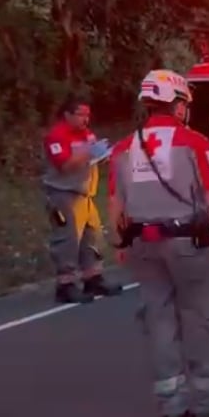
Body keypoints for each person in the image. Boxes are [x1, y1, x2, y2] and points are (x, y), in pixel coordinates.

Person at [107, 69, 209, 417]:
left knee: (159, 319)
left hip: (142, 245)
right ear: (177, 104)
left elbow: (116, 205)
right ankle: (208, 403)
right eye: (184, 103)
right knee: (202, 315)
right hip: (189, 244)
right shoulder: (193, 142)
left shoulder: (123, 148)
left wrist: (120, 242)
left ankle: (172, 407)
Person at [42, 94, 123, 304]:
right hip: (64, 195)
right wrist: (89, 153)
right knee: (67, 239)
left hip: (86, 194)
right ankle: (65, 285)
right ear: (67, 114)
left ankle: (93, 278)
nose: (85, 119)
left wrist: (103, 154)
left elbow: (92, 157)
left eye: (88, 115)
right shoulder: (57, 136)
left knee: (91, 237)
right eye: (81, 115)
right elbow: (65, 165)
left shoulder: (86, 134)